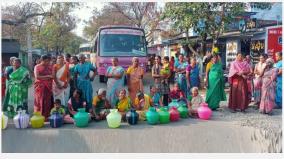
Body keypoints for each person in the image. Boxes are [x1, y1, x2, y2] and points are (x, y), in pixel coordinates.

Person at [34, 55, 53, 120]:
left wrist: (48, 77)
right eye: (46, 61)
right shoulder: (37, 66)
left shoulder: (50, 67)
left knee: (47, 101)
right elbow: (37, 76)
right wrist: (48, 76)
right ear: (42, 60)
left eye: (48, 61)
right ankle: (39, 116)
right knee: (40, 100)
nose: (47, 62)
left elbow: (52, 76)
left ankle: (46, 115)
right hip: (40, 86)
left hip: (48, 86)